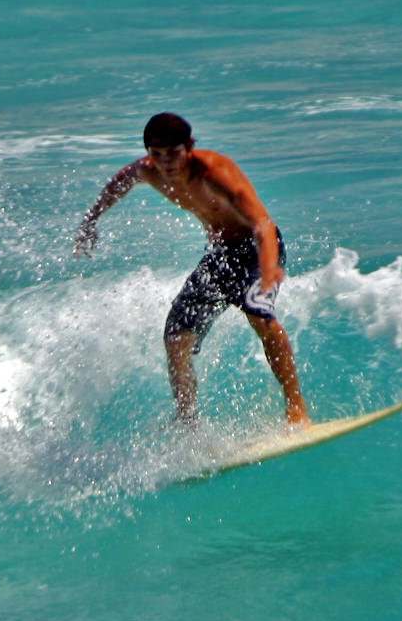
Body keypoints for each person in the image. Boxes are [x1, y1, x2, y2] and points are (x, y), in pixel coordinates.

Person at [74, 112, 311, 426]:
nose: (166, 163)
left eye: (173, 154)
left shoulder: (214, 173)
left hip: (256, 250)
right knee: (176, 339)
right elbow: (117, 184)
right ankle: (187, 421)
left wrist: (268, 268)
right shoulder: (147, 171)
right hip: (220, 255)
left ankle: (296, 409)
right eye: (156, 155)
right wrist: (91, 221)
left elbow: (262, 224)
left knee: (261, 316)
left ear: (189, 147)